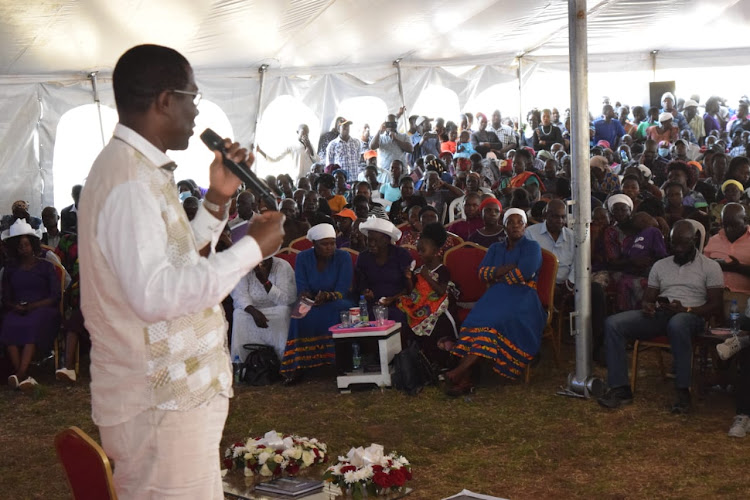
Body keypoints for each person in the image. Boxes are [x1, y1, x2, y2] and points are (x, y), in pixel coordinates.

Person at [77, 44, 284, 499]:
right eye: (193, 97)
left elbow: (176, 260)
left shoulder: (140, 171)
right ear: (165, 100)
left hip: (173, 401)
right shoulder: (129, 182)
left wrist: (217, 200)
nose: (196, 111)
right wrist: (252, 248)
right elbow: (157, 296)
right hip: (158, 405)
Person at [598, 220, 723, 413]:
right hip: (662, 313)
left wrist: (687, 310)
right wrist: (648, 306)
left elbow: (715, 304)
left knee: (678, 323)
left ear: (695, 240)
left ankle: (683, 393)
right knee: (614, 323)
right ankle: (620, 389)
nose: (679, 249)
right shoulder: (661, 265)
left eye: (684, 243)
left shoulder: (710, 267)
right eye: (675, 244)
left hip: (692, 316)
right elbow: (649, 297)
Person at [444, 209, 546, 395]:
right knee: (473, 322)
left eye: (519, 222)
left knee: (491, 325)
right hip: (496, 295)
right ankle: (466, 379)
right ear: (504, 227)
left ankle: (460, 373)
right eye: (511, 222)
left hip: (523, 298)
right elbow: (482, 273)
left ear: (524, 226)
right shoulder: (495, 248)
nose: (515, 225)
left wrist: (497, 275)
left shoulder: (532, 247)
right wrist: (506, 269)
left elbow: (525, 272)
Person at [281, 224, 354, 381]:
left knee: (334, 311)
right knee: (298, 315)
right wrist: (308, 297)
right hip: (312, 300)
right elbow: (302, 287)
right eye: (324, 244)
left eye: (332, 243)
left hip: (338, 300)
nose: (329, 248)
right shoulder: (302, 258)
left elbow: (343, 289)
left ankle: (335, 363)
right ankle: (298, 365)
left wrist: (328, 296)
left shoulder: (343, 257)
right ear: (314, 244)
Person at [1, 219, 61, 390]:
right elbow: (6, 298)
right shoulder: (10, 269)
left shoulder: (46, 266)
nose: (23, 248)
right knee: (8, 323)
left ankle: (20, 374)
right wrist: (16, 307)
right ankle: (24, 375)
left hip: (44, 308)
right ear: (14, 248)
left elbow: (55, 296)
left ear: (33, 245)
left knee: (33, 323)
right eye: (20, 245)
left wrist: (32, 307)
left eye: (26, 244)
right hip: (19, 309)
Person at [398, 222, 458, 368]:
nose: (419, 254)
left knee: (438, 326)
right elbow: (413, 291)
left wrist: (428, 277)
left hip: (439, 306)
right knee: (409, 320)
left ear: (436, 250)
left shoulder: (442, 270)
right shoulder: (419, 270)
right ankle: (420, 361)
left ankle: (441, 360)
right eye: (418, 251)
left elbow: (441, 291)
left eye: (422, 251)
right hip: (422, 305)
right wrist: (408, 278)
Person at [230, 256, 296, 363]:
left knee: (283, 312)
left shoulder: (282, 266)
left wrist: (264, 280)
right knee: (238, 314)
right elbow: (239, 295)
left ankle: (283, 361)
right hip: (252, 310)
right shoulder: (243, 267)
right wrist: (253, 312)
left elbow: (286, 299)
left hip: (276, 309)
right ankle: (242, 364)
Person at [356, 217, 412, 326]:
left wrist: (393, 299)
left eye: (375, 240)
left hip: (398, 302)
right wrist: (365, 292)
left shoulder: (401, 255)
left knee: (397, 316)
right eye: (369, 239)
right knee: (368, 317)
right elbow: (360, 285)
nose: (371, 244)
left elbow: (409, 288)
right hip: (373, 304)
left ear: (386, 240)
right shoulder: (363, 258)